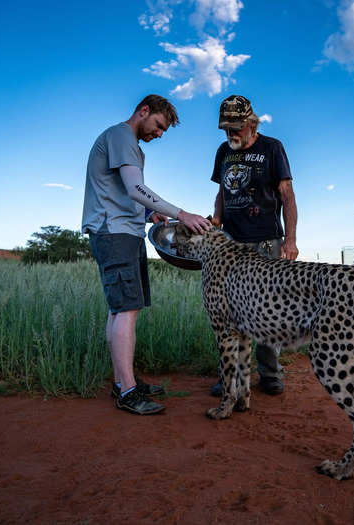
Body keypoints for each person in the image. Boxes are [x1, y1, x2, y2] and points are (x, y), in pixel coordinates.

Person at [82, 94, 211, 415]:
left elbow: (119, 193)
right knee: (125, 309)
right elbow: (135, 189)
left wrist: (146, 215)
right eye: (158, 125)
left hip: (125, 230)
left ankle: (122, 381)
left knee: (123, 309)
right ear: (143, 111)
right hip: (114, 233)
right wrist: (183, 214)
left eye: (164, 130)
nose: (160, 134)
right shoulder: (122, 136)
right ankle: (127, 391)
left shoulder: (131, 146)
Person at [210, 94, 299, 396]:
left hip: (266, 241)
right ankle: (228, 378)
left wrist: (290, 240)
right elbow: (222, 192)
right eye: (226, 128)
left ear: (251, 123)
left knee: (265, 310)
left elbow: (287, 195)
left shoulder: (272, 148)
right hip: (231, 244)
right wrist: (216, 221)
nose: (230, 134)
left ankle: (271, 374)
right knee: (227, 311)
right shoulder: (224, 151)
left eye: (236, 128)